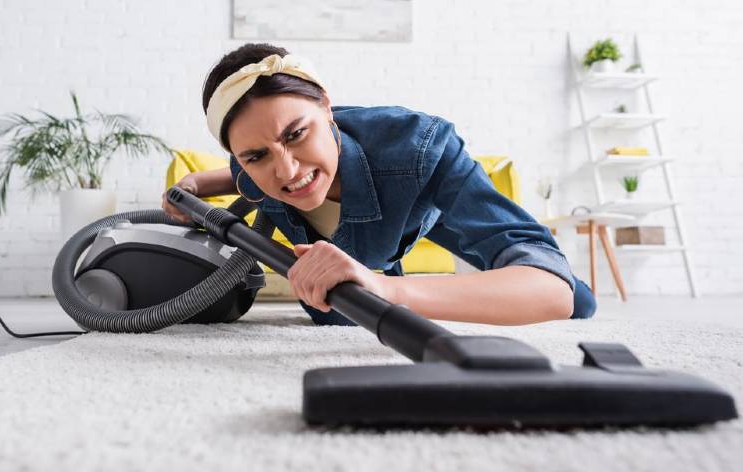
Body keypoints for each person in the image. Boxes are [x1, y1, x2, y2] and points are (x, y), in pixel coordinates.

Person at [162, 43, 597, 326]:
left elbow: (550, 289)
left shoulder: (420, 149)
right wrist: (197, 184)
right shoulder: (252, 169)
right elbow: (241, 175)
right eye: (256, 156)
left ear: (328, 107)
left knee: (577, 301)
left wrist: (389, 290)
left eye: (296, 134)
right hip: (358, 251)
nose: (288, 171)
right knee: (334, 316)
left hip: (415, 207)